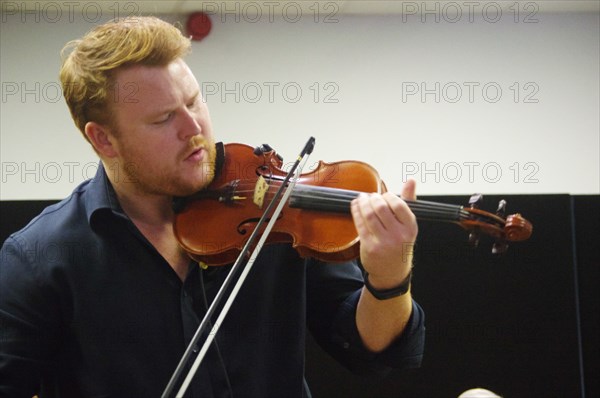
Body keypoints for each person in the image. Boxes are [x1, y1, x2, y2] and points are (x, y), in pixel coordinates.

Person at [0, 16, 425, 397]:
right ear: (103, 139)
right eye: (163, 119)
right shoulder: (39, 259)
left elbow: (369, 351)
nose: (194, 128)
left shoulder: (273, 209)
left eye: (194, 101)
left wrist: (389, 277)